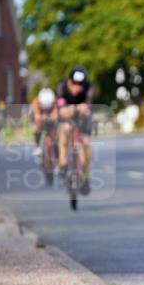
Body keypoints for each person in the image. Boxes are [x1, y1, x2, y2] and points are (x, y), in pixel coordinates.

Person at [56, 66, 95, 194]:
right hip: (66, 116)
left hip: (83, 118)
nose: (77, 88)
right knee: (65, 128)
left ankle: (85, 176)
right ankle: (62, 161)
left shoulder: (89, 88)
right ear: (69, 81)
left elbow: (87, 106)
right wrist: (68, 109)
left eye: (80, 85)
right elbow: (60, 107)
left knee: (86, 143)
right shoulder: (61, 87)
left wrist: (83, 108)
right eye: (74, 84)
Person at [31, 88, 58, 159]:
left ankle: (55, 146)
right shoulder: (36, 102)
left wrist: (50, 117)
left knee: (55, 128)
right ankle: (37, 145)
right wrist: (42, 117)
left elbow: (55, 116)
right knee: (38, 121)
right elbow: (37, 116)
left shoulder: (54, 102)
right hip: (38, 115)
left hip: (49, 116)